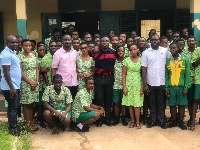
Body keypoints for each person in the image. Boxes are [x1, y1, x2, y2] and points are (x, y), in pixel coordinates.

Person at [142, 34, 170, 129]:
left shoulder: (165, 51)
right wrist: (144, 84)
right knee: (152, 103)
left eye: (156, 40)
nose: (155, 41)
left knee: (161, 103)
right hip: (151, 82)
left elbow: (168, 66)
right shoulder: (146, 53)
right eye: (153, 40)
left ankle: (161, 121)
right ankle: (153, 120)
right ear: (150, 41)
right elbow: (144, 69)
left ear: (159, 41)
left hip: (162, 82)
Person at [165, 42, 190, 130]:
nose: (173, 49)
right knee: (172, 105)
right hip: (171, 87)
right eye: (171, 48)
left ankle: (181, 122)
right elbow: (167, 75)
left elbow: (187, 75)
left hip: (181, 87)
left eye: (174, 48)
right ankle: (174, 121)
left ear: (178, 49)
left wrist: (186, 87)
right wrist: (167, 88)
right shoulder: (168, 61)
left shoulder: (184, 60)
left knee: (182, 105)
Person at [0, 35, 21, 136]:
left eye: (16, 42)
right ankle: (12, 129)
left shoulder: (12, 53)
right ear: (7, 43)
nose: (15, 44)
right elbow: (6, 72)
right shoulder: (6, 55)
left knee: (14, 107)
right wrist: (12, 87)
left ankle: (14, 125)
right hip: (10, 87)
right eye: (12, 42)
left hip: (15, 86)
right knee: (13, 108)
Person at [93, 36, 116, 126]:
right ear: (99, 43)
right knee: (99, 100)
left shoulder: (114, 53)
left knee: (108, 100)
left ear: (109, 42)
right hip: (98, 78)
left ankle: (107, 119)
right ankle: (99, 119)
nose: (105, 42)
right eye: (103, 41)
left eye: (106, 41)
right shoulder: (95, 52)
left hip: (109, 78)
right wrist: (95, 48)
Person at [18, 39, 39, 129]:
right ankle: (28, 126)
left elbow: (37, 69)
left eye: (29, 45)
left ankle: (30, 124)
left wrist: (36, 81)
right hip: (26, 84)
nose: (28, 47)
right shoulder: (20, 57)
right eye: (26, 45)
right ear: (22, 46)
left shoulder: (33, 55)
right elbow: (21, 72)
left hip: (35, 83)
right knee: (26, 105)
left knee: (31, 104)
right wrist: (31, 83)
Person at [122, 44, 144, 129]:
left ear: (137, 50)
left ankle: (138, 121)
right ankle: (133, 121)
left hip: (138, 84)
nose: (133, 51)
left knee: (137, 104)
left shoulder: (141, 60)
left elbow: (143, 75)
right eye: (131, 50)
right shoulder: (126, 60)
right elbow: (124, 74)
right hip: (129, 84)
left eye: (134, 49)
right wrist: (124, 87)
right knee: (130, 104)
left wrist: (142, 87)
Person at [52, 34, 79, 99]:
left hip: (74, 83)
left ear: (71, 41)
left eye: (69, 40)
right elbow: (53, 68)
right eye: (65, 40)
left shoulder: (75, 53)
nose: (67, 41)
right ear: (62, 41)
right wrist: (53, 82)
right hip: (63, 83)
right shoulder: (57, 53)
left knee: (72, 102)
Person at [181, 36, 196, 128]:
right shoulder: (184, 53)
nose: (191, 42)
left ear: (195, 42)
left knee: (197, 100)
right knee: (190, 101)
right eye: (189, 41)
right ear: (187, 43)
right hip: (189, 80)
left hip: (198, 79)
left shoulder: (198, 51)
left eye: (192, 41)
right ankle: (191, 118)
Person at [112, 46, 128, 126]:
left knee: (124, 103)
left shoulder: (127, 61)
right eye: (119, 51)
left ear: (124, 52)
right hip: (116, 85)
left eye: (122, 51)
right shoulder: (114, 61)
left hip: (125, 85)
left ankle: (123, 118)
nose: (121, 52)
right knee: (116, 102)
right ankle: (116, 118)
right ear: (117, 52)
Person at [35, 45, 46, 128]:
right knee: (39, 103)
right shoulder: (35, 59)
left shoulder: (46, 59)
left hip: (45, 84)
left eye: (43, 50)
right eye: (40, 50)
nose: (42, 51)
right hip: (38, 84)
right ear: (37, 51)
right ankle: (40, 118)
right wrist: (41, 71)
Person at [190, 37, 200, 130]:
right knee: (196, 100)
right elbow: (193, 64)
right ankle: (193, 121)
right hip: (198, 80)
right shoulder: (197, 50)